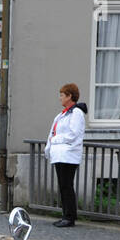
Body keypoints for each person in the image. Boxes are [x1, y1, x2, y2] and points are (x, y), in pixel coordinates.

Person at [44, 82, 86, 228]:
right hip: (60, 154)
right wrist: (48, 149)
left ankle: (69, 217)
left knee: (67, 185)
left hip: (68, 154)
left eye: (62, 95)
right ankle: (66, 215)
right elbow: (52, 132)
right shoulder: (61, 115)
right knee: (63, 186)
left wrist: (54, 141)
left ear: (69, 96)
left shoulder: (76, 113)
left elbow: (73, 134)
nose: (60, 98)